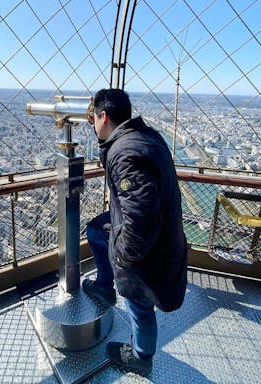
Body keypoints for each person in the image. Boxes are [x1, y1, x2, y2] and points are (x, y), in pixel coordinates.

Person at [82, 88, 188, 375]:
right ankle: (105, 287)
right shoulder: (145, 137)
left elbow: (142, 221)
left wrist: (122, 259)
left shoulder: (125, 153)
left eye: (93, 118)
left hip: (149, 250)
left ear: (104, 117)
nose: (92, 124)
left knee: (139, 306)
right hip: (164, 237)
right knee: (95, 230)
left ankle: (140, 356)